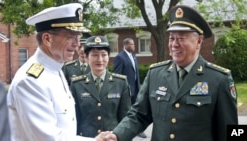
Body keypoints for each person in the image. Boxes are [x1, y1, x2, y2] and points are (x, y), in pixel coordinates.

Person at [98, 5, 238, 141]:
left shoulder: (219, 79)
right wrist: (117, 135)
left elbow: (231, 131)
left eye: (181, 38)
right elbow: (139, 115)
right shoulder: (155, 74)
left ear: (199, 41)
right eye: (171, 38)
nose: (174, 44)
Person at [6, 3, 103, 141]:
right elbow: (49, 138)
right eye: (70, 36)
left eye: (78, 36)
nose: (77, 44)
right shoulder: (30, 81)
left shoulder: (54, 69)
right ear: (47, 39)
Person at [70, 36, 131, 138]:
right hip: (86, 138)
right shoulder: (77, 84)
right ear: (86, 57)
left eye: (104, 55)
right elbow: (75, 119)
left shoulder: (120, 82)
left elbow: (125, 118)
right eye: (94, 55)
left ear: (108, 57)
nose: (100, 59)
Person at [113, 38, 147, 138]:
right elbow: (117, 73)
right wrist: (119, 88)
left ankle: (139, 130)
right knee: (128, 110)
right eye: (132, 44)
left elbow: (135, 72)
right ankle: (126, 131)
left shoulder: (133, 56)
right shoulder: (120, 57)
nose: (134, 46)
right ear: (126, 45)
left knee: (137, 109)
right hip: (126, 88)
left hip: (136, 87)